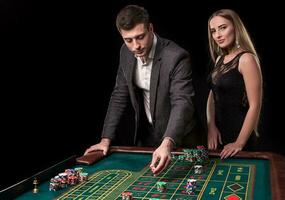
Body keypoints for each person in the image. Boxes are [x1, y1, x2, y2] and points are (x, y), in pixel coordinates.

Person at [84, 5, 201, 174]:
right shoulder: (125, 52)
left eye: (140, 37)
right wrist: (105, 139)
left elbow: (182, 102)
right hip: (148, 137)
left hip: (180, 137)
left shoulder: (176, 56)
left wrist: (168, 142)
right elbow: (119, 95)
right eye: (128, 40)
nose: (135, 46)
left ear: (151, 28)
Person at [206, 9, 263, 159]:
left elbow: (255, 105)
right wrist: (211, 126)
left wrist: (239, 143)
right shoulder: (219, 59)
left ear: (236, 27)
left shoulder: (247, 59)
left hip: (240, 135)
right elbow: (212, 96)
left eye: (223, 28)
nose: (217, 35)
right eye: (213, 31)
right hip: (218, 135)